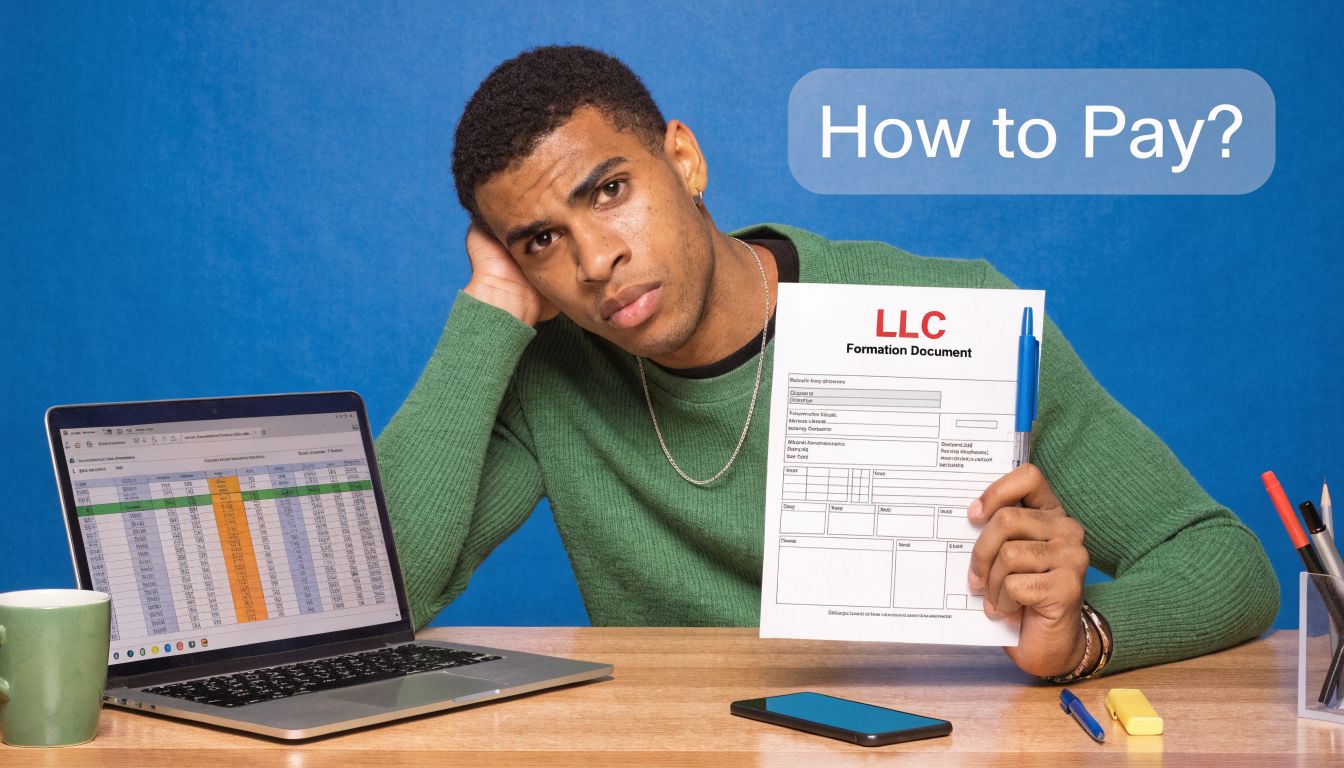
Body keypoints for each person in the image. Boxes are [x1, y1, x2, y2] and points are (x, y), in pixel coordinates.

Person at [375, 45, 1277, 681]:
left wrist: (1080, 637)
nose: (594, 259)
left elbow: (1226, 562)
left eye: (609, 191)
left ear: (682, 159)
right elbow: (377, 603)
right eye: (541, 241)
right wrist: (490, 305)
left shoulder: (964, 311)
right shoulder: (553, 378)